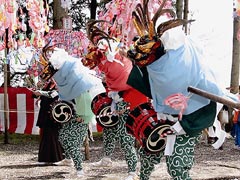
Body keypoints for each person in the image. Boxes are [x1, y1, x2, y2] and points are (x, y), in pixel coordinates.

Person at [125, 1, 239, 179]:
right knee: (148, 153)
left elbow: (213, 93)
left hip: (189, 120)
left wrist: (180, 126)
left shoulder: (194, 72)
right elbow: (140, 73)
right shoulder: (153, 68)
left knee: (177, 165)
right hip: (163, 117)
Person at [82, 21, 149, 180]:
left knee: (125, 135)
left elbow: (127, 73)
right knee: (109, 127)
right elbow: (93, 66)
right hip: (117, 94)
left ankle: (133, 171)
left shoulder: (121, 52)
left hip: (133, 95)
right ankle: (106, 158)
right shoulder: (101, 57)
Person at [39, 44, 105, 177]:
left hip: (81, 117)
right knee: (63, 137)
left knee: (72, 143)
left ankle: (79, 171)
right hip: (73, 116)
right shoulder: (69, 84)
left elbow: (85, 101)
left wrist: (84, 117)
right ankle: (73, 164)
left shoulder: (79, 84)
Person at [31, 79, 65, 165]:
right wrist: (37, 89)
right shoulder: (47, 85)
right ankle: (44, 158)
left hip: (55, 114)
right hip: (45, 113)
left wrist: (41, 92)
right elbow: (37, 96)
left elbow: (53, 95)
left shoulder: (61, 84)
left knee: (54, 136)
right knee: (45, 136)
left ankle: (57, 158)